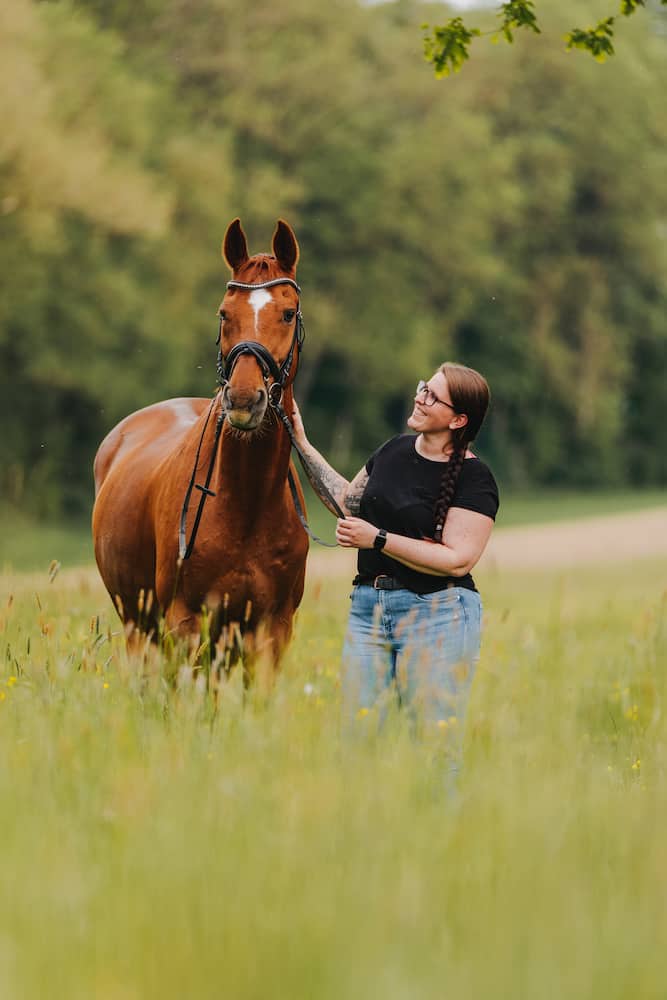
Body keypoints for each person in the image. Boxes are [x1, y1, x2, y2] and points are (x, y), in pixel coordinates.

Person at [291, 362, 499, 764]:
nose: (420, 398)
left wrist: (378, 539)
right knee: (357, 743)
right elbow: (346, 502)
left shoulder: (476, 479)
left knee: (433, 751)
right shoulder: (392, 450)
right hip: (368, 611)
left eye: (433, 397)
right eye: (424, 388)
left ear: (458, 419)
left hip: (438, 615)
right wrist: (300, 441)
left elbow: (457, 560)